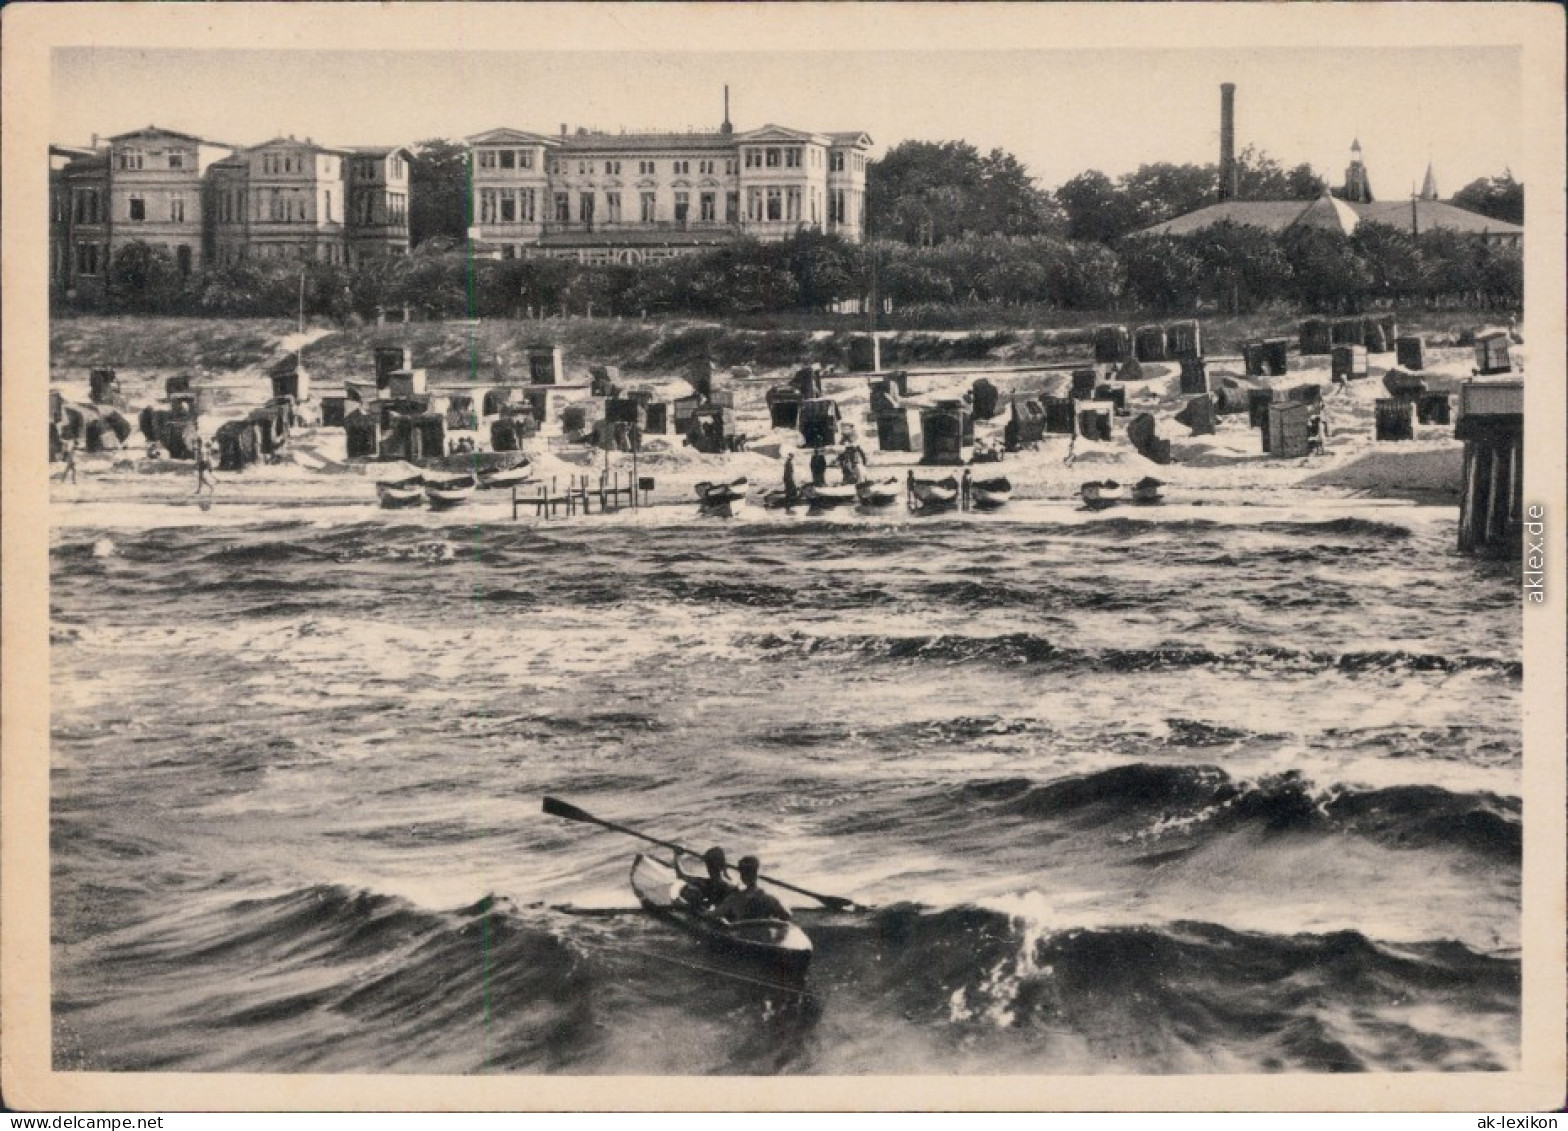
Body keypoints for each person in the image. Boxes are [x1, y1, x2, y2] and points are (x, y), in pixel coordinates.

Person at [712, 855, 791, 923]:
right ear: (757, 874)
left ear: (742, 877)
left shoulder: (734, 899)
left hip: (742, 937)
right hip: (765, 939)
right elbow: (787, 918)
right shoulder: (770, 900)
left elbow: (713, 915)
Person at [677, 847, 735, 913]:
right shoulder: (728, 885)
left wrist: (677, 857)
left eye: (709, 866)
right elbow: (682, 876)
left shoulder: (714, 884)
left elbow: (681, 876)